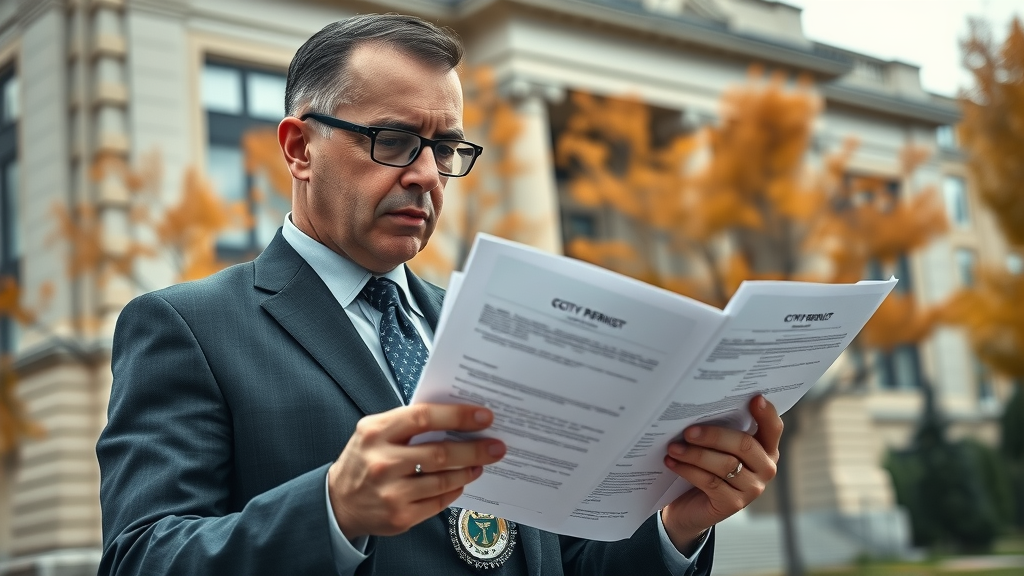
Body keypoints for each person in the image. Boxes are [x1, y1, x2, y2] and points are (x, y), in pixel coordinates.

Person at [96, 13, 783, 575]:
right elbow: (141, 558)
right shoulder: (187, 327)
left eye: (445, 148)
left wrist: (675, 528)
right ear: (299, 148)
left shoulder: (493, 326)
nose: (427, 175)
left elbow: (560, 560)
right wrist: (331, 510)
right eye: (395, 141)